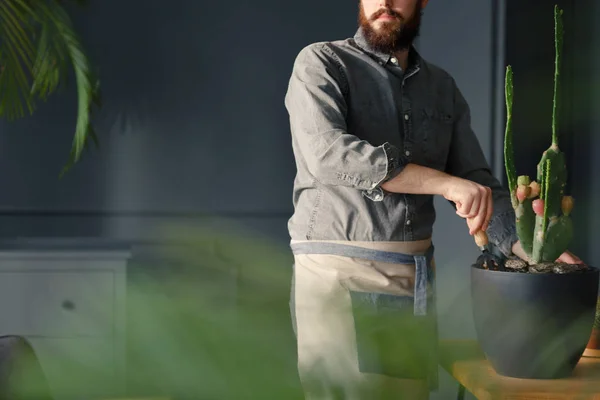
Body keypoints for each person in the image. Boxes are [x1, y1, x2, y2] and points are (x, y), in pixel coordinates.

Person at [284, 0, 582, 398]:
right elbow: (329, 155)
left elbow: (476, 184)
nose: (385, 2)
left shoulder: (441, 88)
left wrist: (535, 248)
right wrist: (444, 183)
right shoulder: (322, 62)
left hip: (414, 278)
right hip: (339, 272)